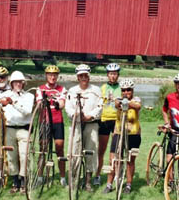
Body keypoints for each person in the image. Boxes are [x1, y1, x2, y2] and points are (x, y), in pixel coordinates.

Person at [65, 64, 102, 192]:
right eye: (81, 76)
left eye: (86, 75)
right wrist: (74, 114)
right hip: (76, 124)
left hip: (91, 124)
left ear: (89, 76)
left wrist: (90, 116)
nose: (83, 78)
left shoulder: (96, 90)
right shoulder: (72, 90)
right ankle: (74, 179)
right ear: (77, 77)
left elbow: (100, 106)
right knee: (74, 151)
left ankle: (87, 182)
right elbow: (67, 106)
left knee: (90, 152)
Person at [103, 79, 141, 194]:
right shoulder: (118, 99)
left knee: (130, 161)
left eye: (128, 90)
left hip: (133, 134)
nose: (126, 92)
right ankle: (109, 184)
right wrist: (120, 102)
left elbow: (137, 106)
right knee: (113, 160)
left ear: (132, 90)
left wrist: (127, 103)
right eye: (123, 90)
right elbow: (116, 104)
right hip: (119, 133)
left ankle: (128, 184)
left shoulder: (136, 99)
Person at [0, 71, 34, 194]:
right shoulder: (5, 94)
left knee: (24, 155)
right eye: (15, 82)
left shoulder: (29, 96)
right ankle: (15, 181)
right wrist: (0, 102)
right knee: (11, 157)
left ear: (23, 83)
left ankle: (24, 180)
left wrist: (12, 103)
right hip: (10, 128)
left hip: (24, 129)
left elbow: (27, 111)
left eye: (20, 82)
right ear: (12, 83)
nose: (18, 84)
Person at [35, 65, 68, 186]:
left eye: (54, 75)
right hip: (45, 122)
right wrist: (44, 102)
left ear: (57, 76)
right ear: (46, 75)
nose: (52, 77)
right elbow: (39, 104)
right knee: (43, 149)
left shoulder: (62, 89)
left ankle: (63, 177)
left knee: (59, 148)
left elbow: (62, 103)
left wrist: (57, 103)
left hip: (58, 122)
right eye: (50, 74)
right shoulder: (40, 89)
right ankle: (39, 176)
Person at [96, 63, 121, 186]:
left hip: (117, 121)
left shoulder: (121, 88)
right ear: (107, 75)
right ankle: (97, 175)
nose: (113, 76)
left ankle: (115, 174)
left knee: (115, 151)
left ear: (118, 75)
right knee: (101, 150)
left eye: (115, 74)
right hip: (104, 120)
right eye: (111, 74)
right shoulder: (103, 87)